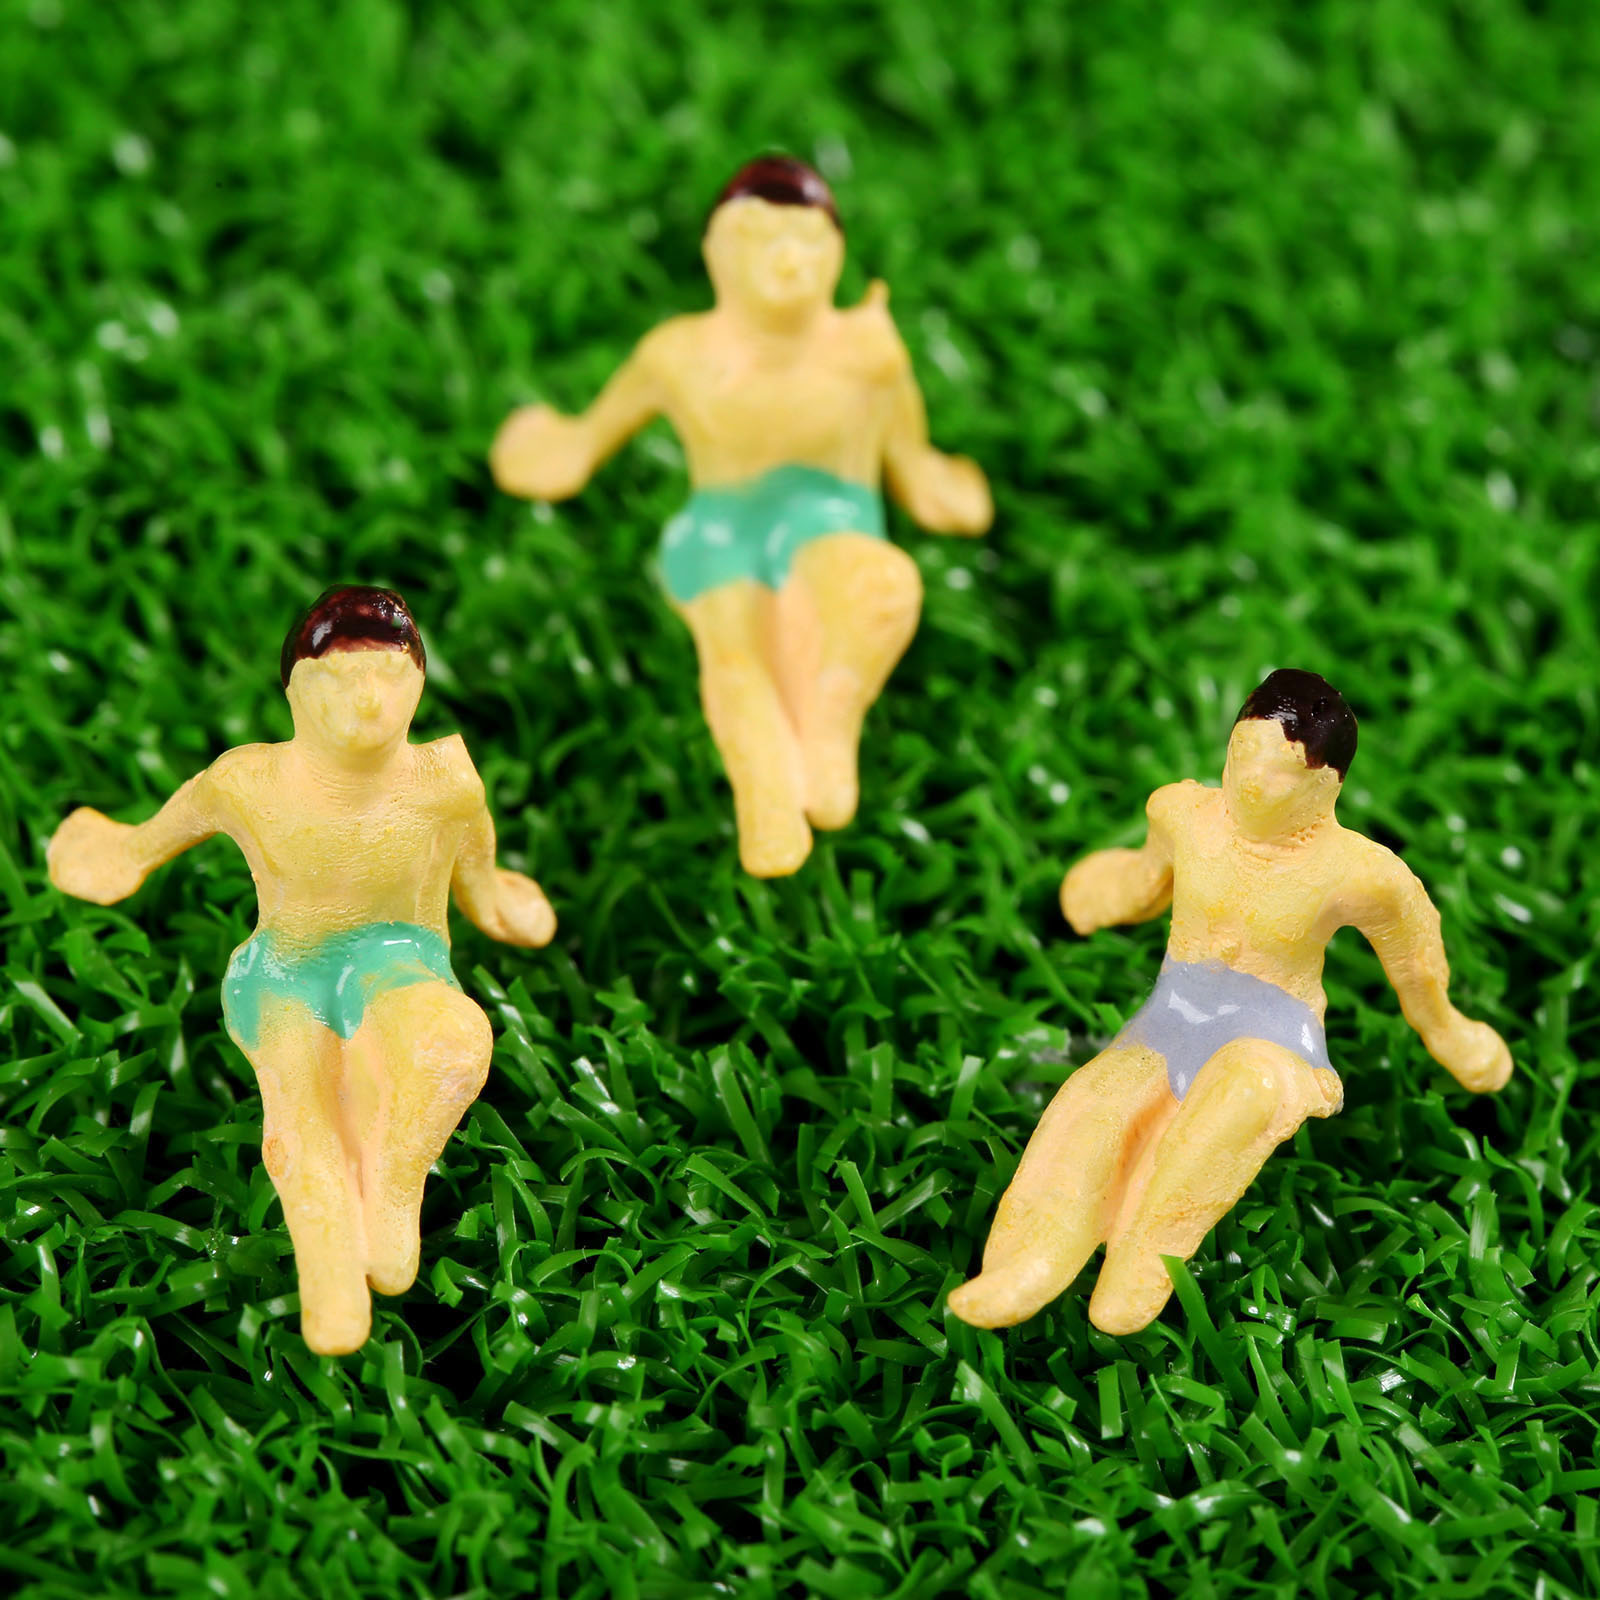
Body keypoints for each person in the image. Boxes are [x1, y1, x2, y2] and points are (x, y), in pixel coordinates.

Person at [47, 586, 557, 1355]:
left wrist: (498, 903)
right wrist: (118, 854)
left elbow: (477, 872)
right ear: (297, 692)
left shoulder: (446, 784)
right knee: (302, 1117)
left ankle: (393, 1188)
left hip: (397, 960)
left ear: (418, 684)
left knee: (455, 1042)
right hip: (282, 973)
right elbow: (153, 837)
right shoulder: (248, 783)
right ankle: (330, 1281)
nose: (369, 700)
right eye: (341, 679)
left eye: (389, 676)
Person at [947, 669, 1513, 1337]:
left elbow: (1416, 962)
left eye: (1280, 773)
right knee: (1096, 1098)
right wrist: (1097, 894)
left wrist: (1449, 1031)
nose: (1251, 781)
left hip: (1274, 1033)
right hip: (1174, 1015)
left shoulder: (1360, 874)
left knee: (1242, 1093)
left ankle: (1144, 1256)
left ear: (1325, 786)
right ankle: (1025, 1264)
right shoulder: (1186, 816)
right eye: (1243, 754)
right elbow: (1145, 879)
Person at [491, 154, 992, 877]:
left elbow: (907, 447)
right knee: (734, 646)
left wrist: (929, 479)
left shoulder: (868, 352)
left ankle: (832, 723)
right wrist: (556, 450)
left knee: (878, 586)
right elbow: (593, 431)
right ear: (718, 254)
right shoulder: (678, 354)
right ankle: (765, 795)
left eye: (808, 241)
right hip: (719, 532)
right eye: (759, 239)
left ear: (835, 253)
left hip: (831, 519)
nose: (787, 260)